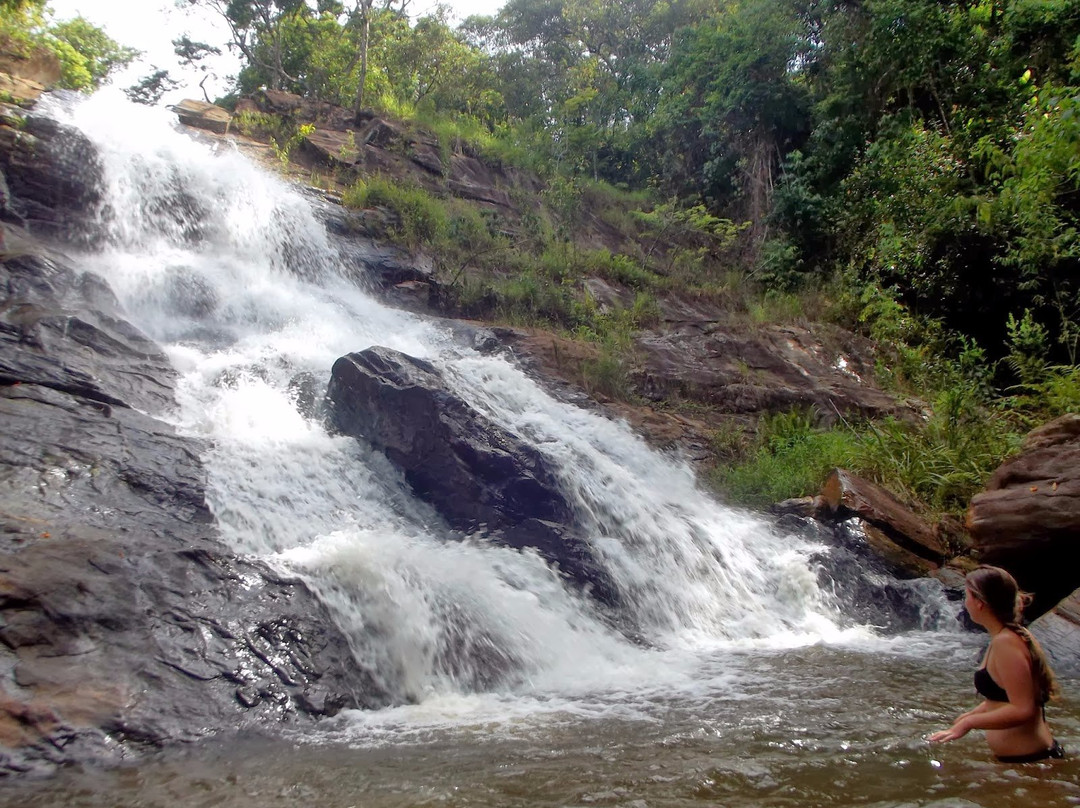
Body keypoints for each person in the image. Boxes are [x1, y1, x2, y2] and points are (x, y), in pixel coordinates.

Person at [929, 565, 1064, 762]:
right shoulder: (1007, 636)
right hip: (1026, 762)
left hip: (1033, 761)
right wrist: (970, 715)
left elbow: (1023, 708)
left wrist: (969, 723)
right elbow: (1003, 698)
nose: (965, 602)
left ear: (980, 603)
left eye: (967, 596)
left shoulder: (1007, 643)